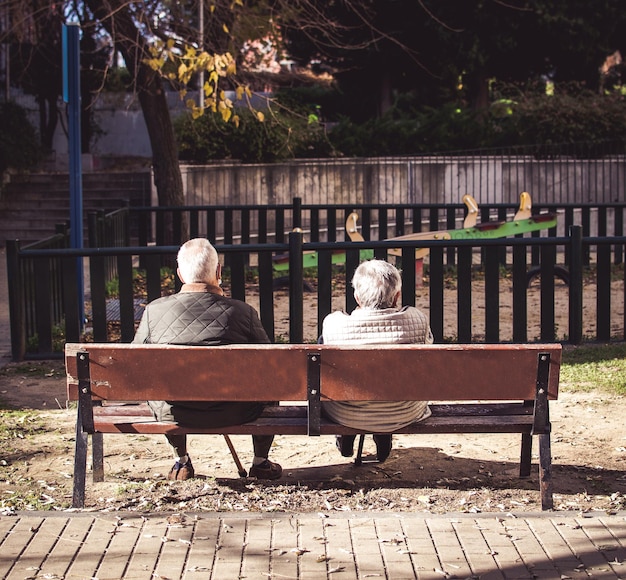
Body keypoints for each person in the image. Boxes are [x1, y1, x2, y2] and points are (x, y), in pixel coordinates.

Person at [133, 237, 282, 481]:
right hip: (236, 410)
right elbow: (272, 365)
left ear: (180, 275)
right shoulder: (243, 312)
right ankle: (260, 461)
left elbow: (135, 364)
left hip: (176, 411)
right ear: (218, 272)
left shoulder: (154, 312)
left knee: (159, 389)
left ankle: (180, 460)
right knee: (270, 383)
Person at [321, 259, 433, 462]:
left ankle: (347, 434)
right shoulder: (417, 319)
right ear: (397, 296)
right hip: (403, 410)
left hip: (345, 411)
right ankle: (383, 435)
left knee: (351, 378)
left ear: (356, 296)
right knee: (391, 379)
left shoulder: (333, 324)